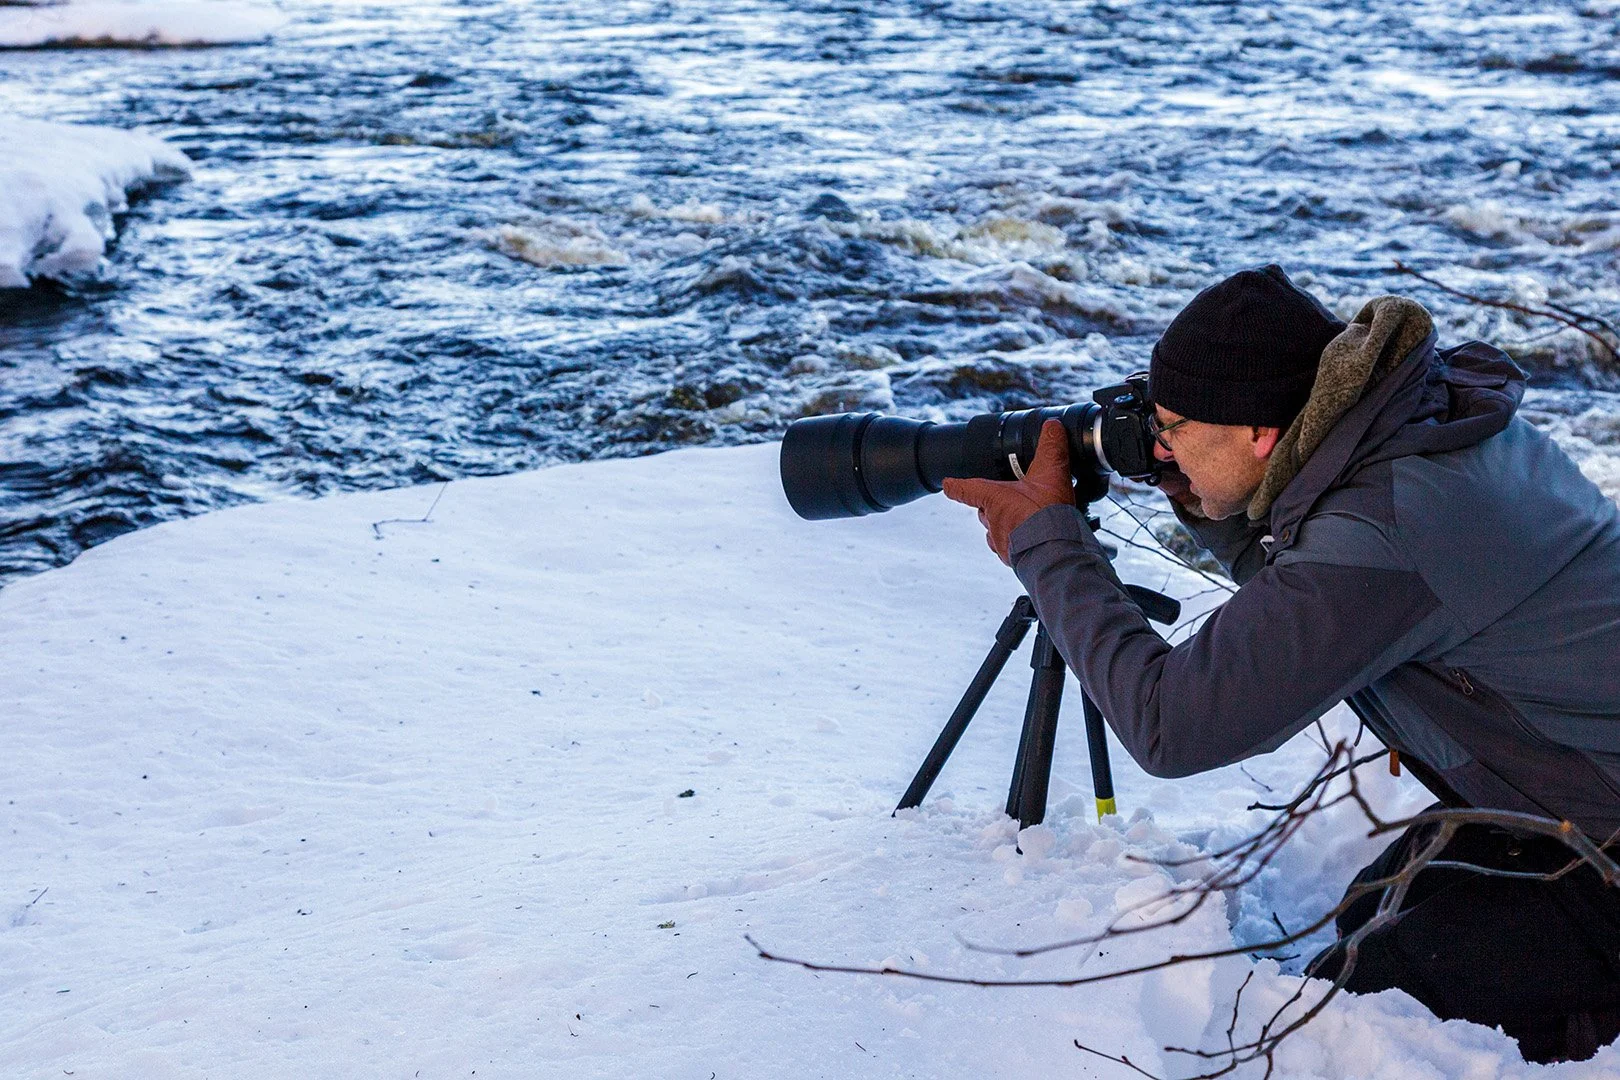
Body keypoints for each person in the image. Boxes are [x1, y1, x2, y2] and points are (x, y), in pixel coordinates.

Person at [942, 265, 1620, 1062]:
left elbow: (1172, 726)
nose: (1161, 442)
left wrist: (1048, 544)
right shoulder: (1414, 430)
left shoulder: (1394, 522)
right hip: (1569, 797)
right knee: (1375, 910)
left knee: (1356, 1014)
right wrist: (1194, 487)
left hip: (1599, 836)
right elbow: (1318, 579)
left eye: (1172, 426)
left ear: (1261, 433)